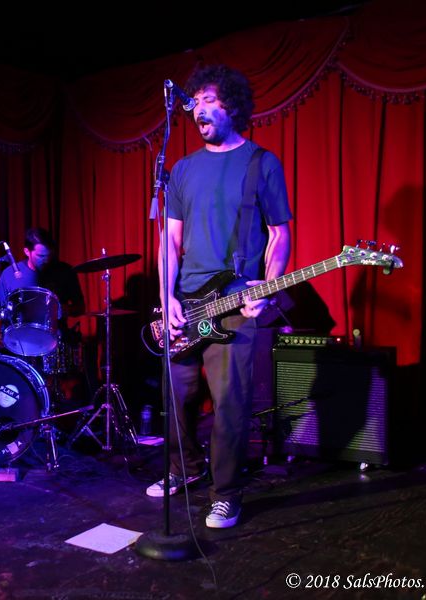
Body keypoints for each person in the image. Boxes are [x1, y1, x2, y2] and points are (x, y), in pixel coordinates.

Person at [148, 65, 292, 529]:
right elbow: (170, 240)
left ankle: (226, 494)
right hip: (188, 304)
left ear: (232, 106)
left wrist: (267, 288)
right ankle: (184, 468)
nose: (199, 110)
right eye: (195, 102)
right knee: (177, 395)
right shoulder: (182, 170)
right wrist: (167, 296)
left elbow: (279, 233)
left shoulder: (261, 163)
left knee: (230, 403)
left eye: (210, 100)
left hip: (235, 303)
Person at [0, 227, 85, 319]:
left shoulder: (65, 271)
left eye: (48, 255)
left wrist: (66, 309)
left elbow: (80, 307)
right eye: (40, 256)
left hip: (54, 328)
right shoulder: (10, 273)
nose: (46, 260)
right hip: (17, 327)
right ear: (27, 251)